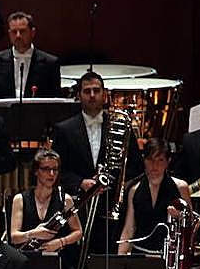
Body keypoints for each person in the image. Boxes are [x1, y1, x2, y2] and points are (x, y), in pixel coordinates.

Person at [9, 150, 84, 269]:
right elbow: (14, 236)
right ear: (36, 170)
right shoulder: (20, 199)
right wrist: (34, 233)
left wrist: (60, 242)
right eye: (46, 169)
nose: (51, 174)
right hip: (30, 261)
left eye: (55, 170)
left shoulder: (65, 199)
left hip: (57, 262)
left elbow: (78, 232)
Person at [52, 71, 144, 204]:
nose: (92, 95)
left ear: (104, 95)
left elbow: (136, 167)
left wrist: (110, 180)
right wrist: (81, 183)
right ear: (79, 96)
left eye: (96, 90)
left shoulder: (121, 127)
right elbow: (58, 170)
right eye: (87, 91)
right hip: (78, 203)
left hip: (111, 201)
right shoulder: (64, 130)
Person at [117, 138, 192, 256]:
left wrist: (179, 217)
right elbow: (129, 228)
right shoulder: (134, 189)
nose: (154, 165)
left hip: (168, 256)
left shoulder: (180, 187)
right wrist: (120, 258)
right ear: (144, 160)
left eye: (160, 160)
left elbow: (190, 224)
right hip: (140, 255)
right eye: (150, 160)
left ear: (168, 161)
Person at [0, 11, 63, 99]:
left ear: (32, 32)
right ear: (9, 34)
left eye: (22, 31)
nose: (18, 36)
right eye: (14, 32)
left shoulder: (50, 63)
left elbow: (56, 99)